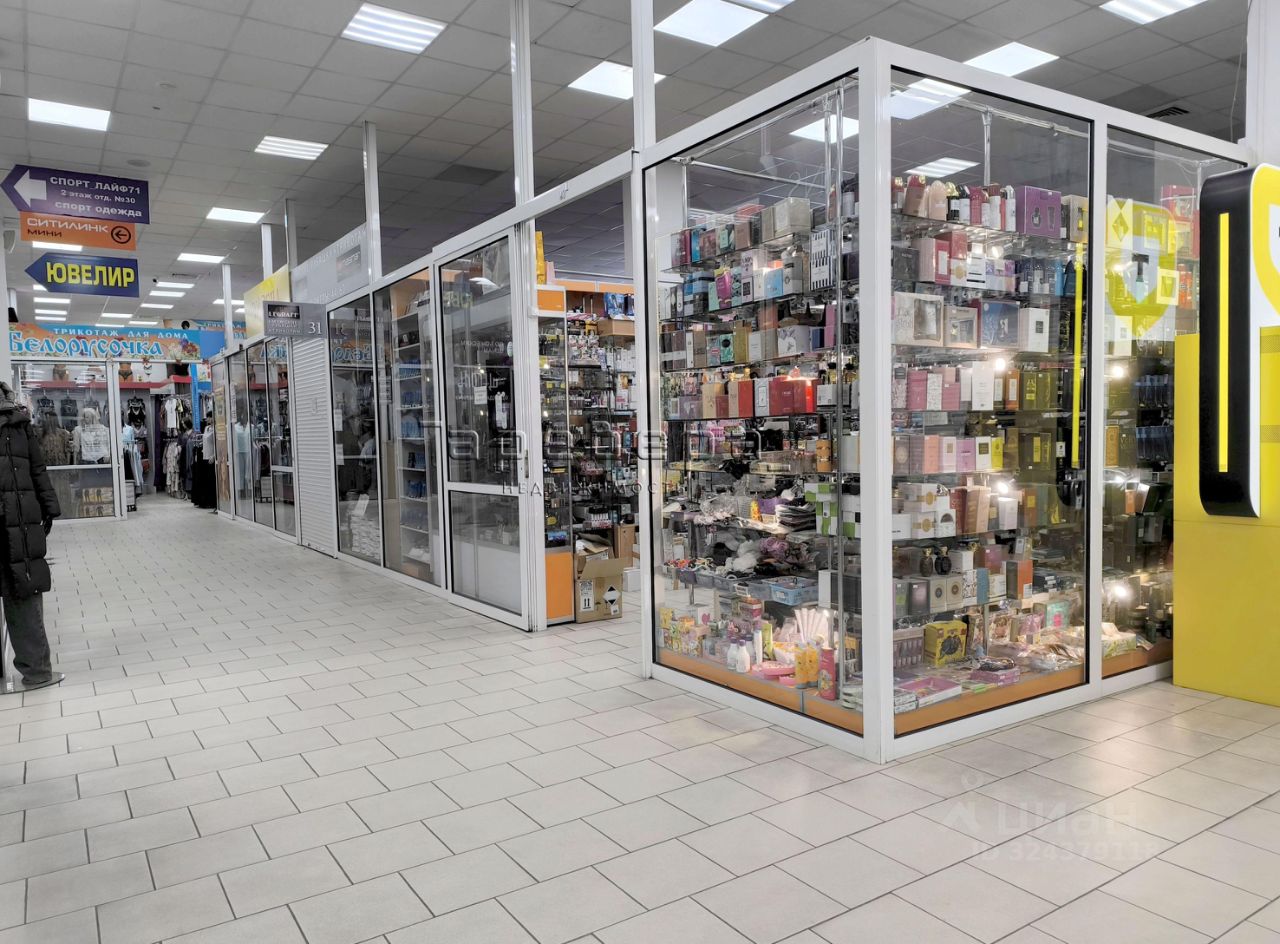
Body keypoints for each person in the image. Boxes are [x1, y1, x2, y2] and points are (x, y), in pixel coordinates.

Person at [0, 382, 62, 688]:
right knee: (22, 592)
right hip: (19, 519)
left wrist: (49, 507)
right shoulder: (17, 420)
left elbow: (37, 469)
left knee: (23, 591)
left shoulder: (17, 421)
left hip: (18, 520)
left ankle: (37, 670)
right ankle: (36, 670)